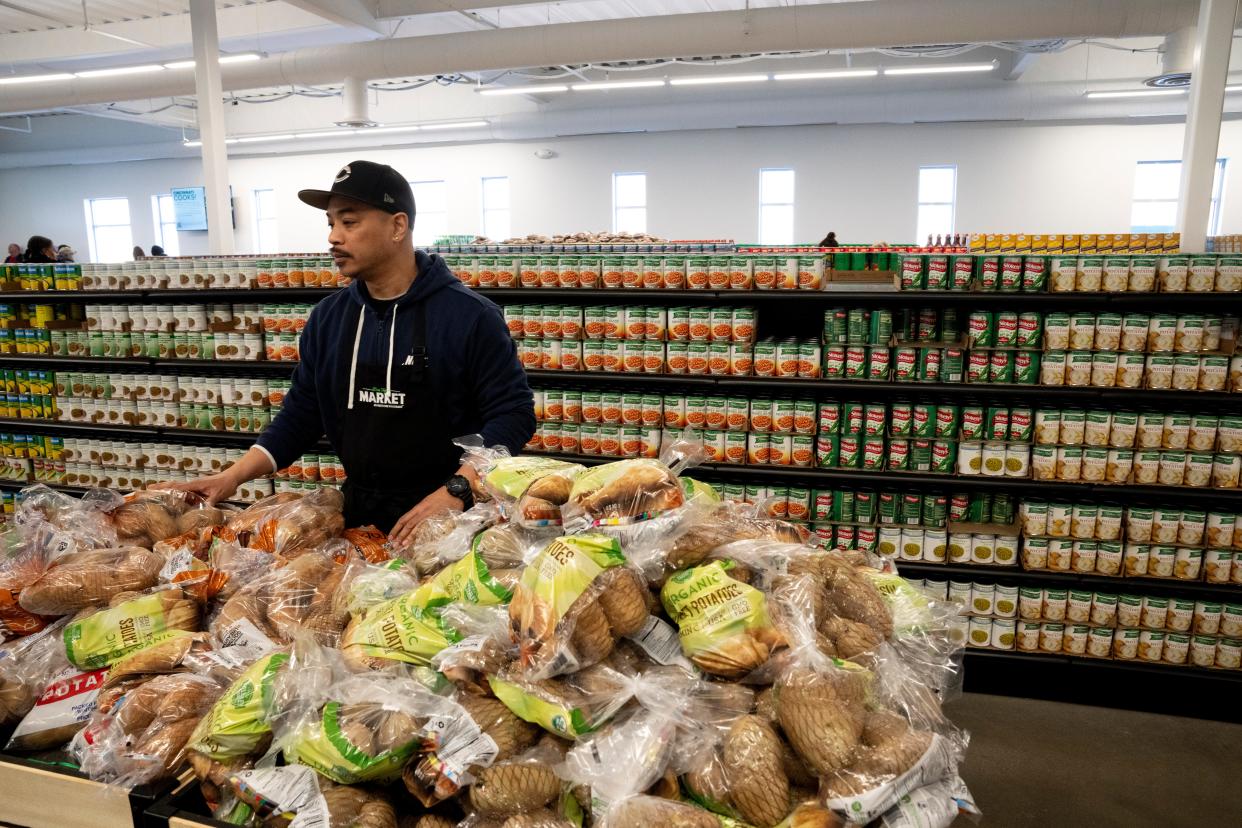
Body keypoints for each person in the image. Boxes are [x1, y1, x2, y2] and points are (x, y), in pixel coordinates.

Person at [172, 160, 535, 545]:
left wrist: (459, 490)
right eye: (330, 224)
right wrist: (233, 476)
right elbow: (302, 412)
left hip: (454, 518)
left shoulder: (470, 316)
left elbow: (513, 415)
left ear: (397, 226)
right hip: (359, 513)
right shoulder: (329, 319)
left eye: (349, 222)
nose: (334, 237)